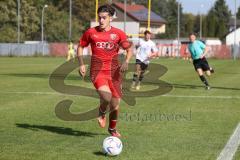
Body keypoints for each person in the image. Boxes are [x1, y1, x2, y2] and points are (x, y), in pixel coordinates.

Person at [77, 4, 132, 137]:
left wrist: (126, 61)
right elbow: (80, 47)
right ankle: (102, 112)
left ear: (110, 18)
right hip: (97, 71)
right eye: (99, 18)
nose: (101, 20)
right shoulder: (91, 32)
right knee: (106, 97)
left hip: (114, 72)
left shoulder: (118, 33)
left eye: (104, 18)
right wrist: (81, 64)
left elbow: (129, 50)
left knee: (115, 104)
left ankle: (112, 129)